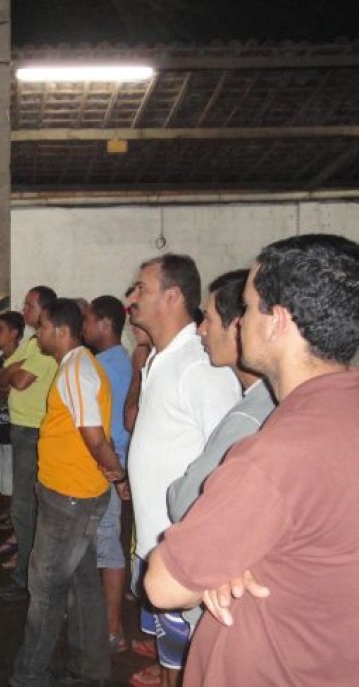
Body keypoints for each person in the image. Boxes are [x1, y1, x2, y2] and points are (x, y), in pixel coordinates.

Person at [145, 234, 359, 686]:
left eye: (247, 306)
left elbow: (163, 585)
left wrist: (226, 562)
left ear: (278, 321)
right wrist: (234, 560)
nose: (238, 322)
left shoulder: (275, 453)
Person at [126, 254, 241, 687]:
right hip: (156, 540)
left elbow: (231, 457)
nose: (133, 298)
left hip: (187, 552)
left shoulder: (199, 365)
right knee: (172, 654)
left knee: (194, 660)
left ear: (172, 296)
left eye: (142, 288)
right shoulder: (161, 358)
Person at [10, 298, 126, 687]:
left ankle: (30, 675)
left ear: (60, 331)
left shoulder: (77, 369)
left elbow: (95, 436)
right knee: (81, 583)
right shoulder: (78, 367)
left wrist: (117, 473)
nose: (37, 333)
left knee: (44, 588)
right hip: (72, 493)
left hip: (71, 498)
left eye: (41, 326)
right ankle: (90, 670)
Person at [163, 269, 277, 632]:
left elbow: (185, 499)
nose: (201, 329)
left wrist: (179, 484)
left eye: (209, 319)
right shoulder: (256, 401)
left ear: (239, 326)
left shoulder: (248, 415)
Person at [0, 286, 58, 601]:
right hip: (21, 429)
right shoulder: (33, 343)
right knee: (23, 507)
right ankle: (26, 572)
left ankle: (28, 580)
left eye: (28, 304)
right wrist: (11, 372)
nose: (24, 308)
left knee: (25, 507)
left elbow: (15, 380)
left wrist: (12, 373)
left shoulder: (46, 348)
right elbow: (1, 376)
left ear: (44, 309)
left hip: (35, 431)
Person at [82, 295, 133, 653]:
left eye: (88, 320)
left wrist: (115, 475)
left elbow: (111, 430)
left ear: (104, 324)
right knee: (102, 545)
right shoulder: (110, 361)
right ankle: (103, 621)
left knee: (108, 546)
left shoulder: (109, 365)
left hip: (107, 469)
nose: (83, 327)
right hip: (106, 468)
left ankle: (113, 630)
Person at [0, 311, 24, 564]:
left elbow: (10, 388)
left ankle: (19, 533)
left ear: (14, 333)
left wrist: (5, 388)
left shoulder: (25, 358)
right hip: (0, 422)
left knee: (18, 483)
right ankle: (13, 523)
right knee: (5, 480)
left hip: (18, 426)